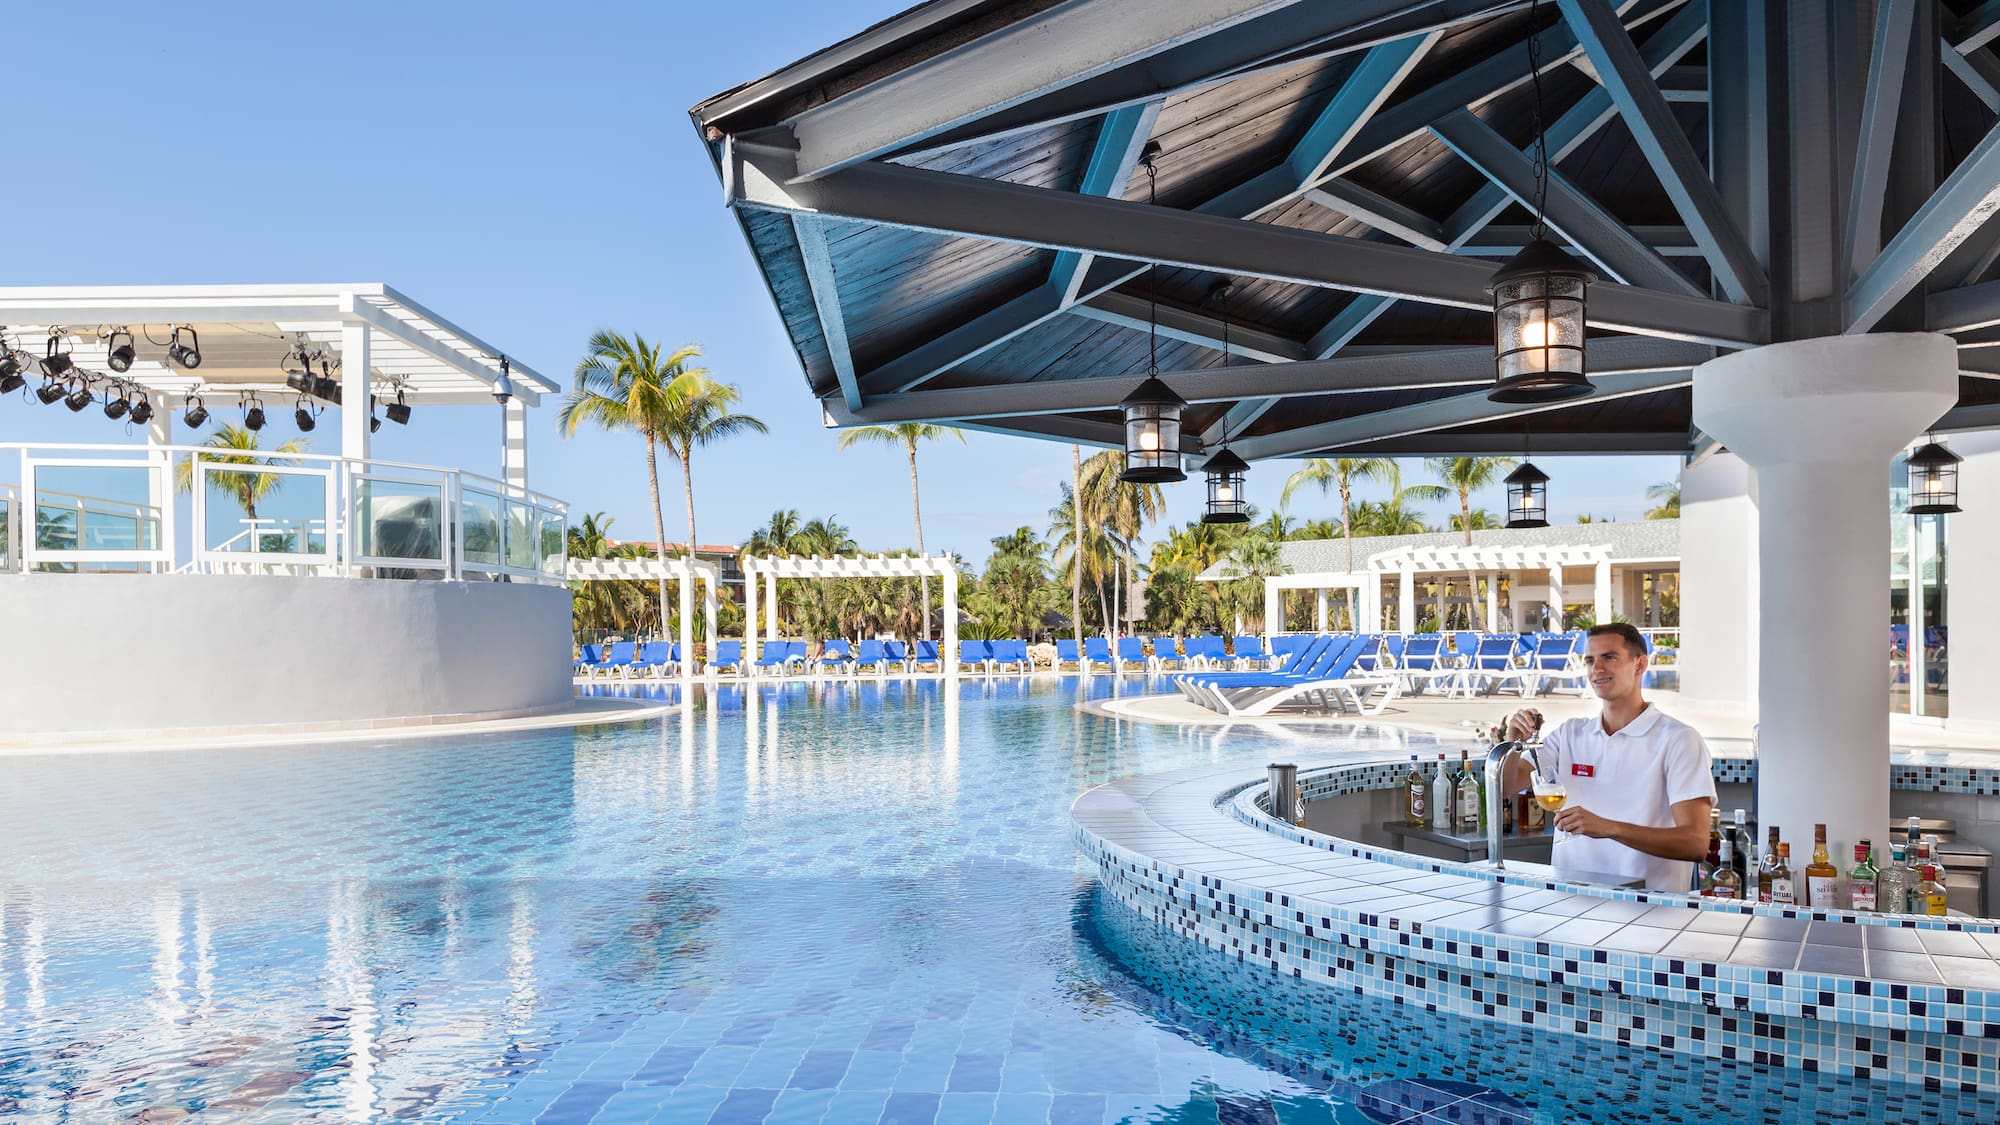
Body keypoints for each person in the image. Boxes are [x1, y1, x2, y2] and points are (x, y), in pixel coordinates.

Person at [1501, 623, 1714, 892]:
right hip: (1568, 908)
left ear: (1640, 665)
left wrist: (1608, 827)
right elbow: (1507, 786)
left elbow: (1695, 843)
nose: (1597, 669)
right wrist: (1513, 743)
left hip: (1648, 917)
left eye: (1609, 657)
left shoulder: (1679, 740)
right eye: (1590, 660)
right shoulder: (1570, 734)